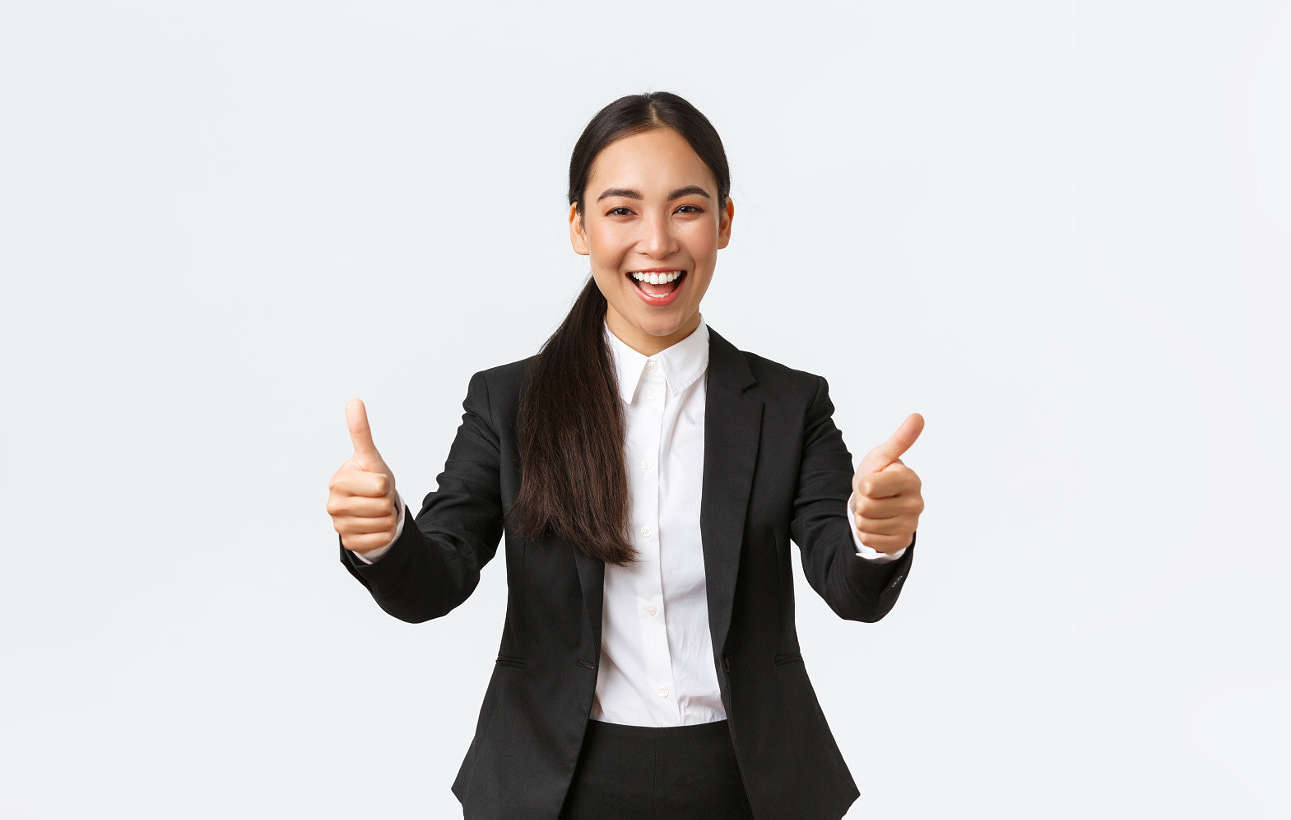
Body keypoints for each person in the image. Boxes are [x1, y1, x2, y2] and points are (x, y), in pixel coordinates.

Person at [325, 91, 926, 820]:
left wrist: (877, 537)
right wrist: (382, 535)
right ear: (579, 227)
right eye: (621, 210)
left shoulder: (789, 405)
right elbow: (436, 579)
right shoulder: (509, 403)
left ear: (724, 222)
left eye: (686, 208)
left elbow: (849, 585)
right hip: (557, 785)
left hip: (747, 784)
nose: (657, 242)